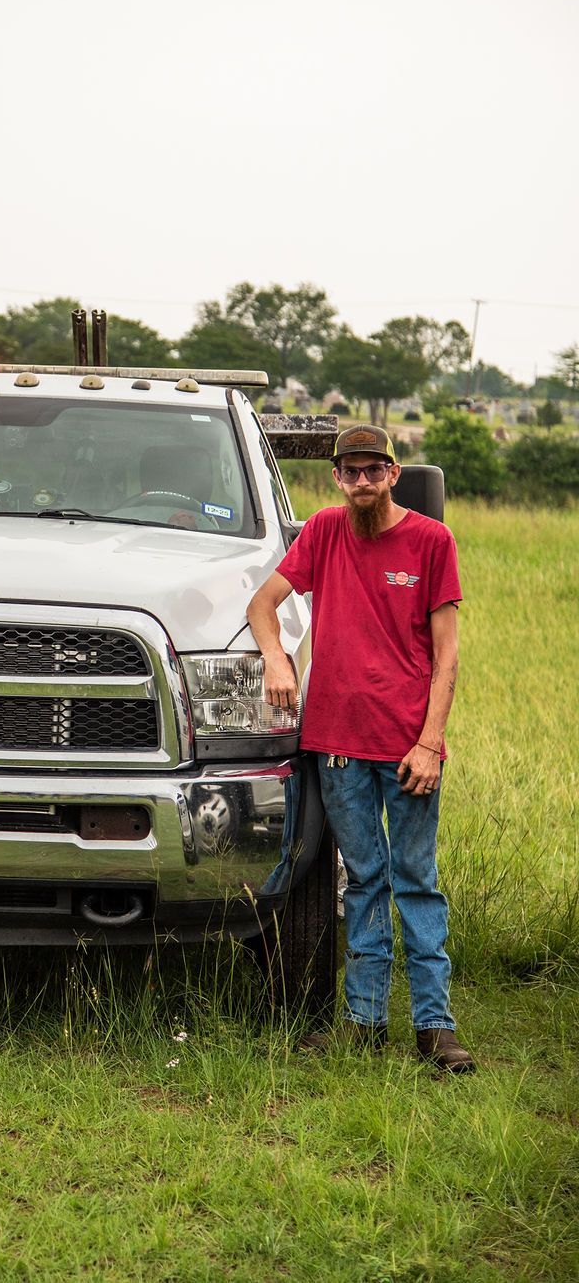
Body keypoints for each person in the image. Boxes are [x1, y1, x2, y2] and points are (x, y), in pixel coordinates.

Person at [247, 424, 476, 1073]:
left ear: (395, 474)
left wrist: (431, 742)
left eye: (374, 470)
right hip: (337, 746)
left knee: (417, 883)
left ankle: (436, 1026)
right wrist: (277, 660)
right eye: (351, 471)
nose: (363, 482)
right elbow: (263, 604)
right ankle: (365, 1021)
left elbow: (448, 655)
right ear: (337, 479)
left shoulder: (431, 542)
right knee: (365, 882)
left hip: (409, 749)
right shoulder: (322, 531)